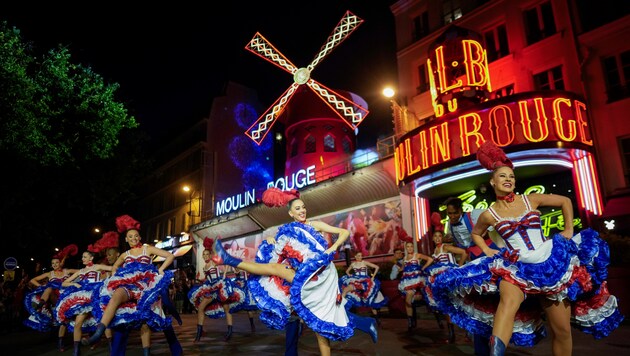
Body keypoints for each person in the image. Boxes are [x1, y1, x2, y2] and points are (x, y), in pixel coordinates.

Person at [432, 141, 624, 355]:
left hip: (550, 264)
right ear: (493, 181)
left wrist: (569, 229)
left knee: (561, 331)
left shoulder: (529, 200)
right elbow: (476, 233)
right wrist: (487, 251)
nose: (508, 179)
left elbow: (565, 202)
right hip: (516, 266)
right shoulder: (489, 214)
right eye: (503, 176)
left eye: (511, 176)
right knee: (508, 302)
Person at [212, 187, 377, 356]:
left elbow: (344, 232)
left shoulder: (314, 225)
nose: (302, 211)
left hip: (322, 273)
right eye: (298, 209)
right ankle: (228, 258)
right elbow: (279, 252)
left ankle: (228, 259)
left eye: (303, 207)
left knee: (319, 323)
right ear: (291, 213)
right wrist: (271, 240)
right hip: (304, 276)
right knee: (318, 327)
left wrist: (333, 248)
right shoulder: (289, 231)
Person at [82, 214, 178, 356]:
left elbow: (170, 255)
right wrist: (115, 275)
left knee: (145, 319)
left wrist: (161, 269)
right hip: (128, 286)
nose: (134, 239)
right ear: (126, 240)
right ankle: (98, 333)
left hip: (145, 287)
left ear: (140, 237)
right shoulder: (125, 255)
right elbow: (114, 267)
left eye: (136, 236)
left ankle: (149, 352)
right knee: (116, 296)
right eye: (130, 237)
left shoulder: (148, 249)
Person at [188, 237, 245, 342]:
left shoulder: (214, 262)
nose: (205, 256)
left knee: (226, 308)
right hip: (210, 288)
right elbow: (208, 278)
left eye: (206, 254)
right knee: (200, 308)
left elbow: (227, 262)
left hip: (219, 287)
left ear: (210, 255)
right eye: (203, 254)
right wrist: (201, 280)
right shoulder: (205, 266)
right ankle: (199, 333)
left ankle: (229, 332)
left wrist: (224, 276)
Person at [24, 244, 79, 352]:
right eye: (53, 263)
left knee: (63, 322)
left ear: (60, 263)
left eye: (57, 263)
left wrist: (73, 280)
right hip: (54, 298)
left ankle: (60, 343)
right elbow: (32, 280)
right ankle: (40, 306)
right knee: (48, 289)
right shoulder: (50, 274)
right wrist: (42, 286)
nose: (55, 265)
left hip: (66, 298)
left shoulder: (67, 271)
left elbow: (81, 272)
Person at [57, 250, 112, 356]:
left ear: (91, 258)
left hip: (96, 295)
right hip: (83, 298)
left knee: (104, 321)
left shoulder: (97, 267)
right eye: (82, 257)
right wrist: (75, 284)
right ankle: (76, 350)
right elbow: (64, 283)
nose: (83, 259)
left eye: (85, 257)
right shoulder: (80, 271)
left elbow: (113, 268)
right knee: (78, 323)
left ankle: (111, 347)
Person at [423, 224, 467, 344]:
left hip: (449, 278)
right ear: (432, 239)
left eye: (439, 236)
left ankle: (466, 332)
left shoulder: (446, 247)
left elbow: (463, 252)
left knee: (459, 303)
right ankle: (452, 333)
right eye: (435, 236)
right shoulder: (435, 251)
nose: (437, 238)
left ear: (442, 238)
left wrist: (459, 267)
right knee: (447, 304)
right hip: (440, 280)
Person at [340, 251, 387, 324]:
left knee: (370, 300)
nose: (360, 257)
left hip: (365, 281)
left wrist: (373, 276)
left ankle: (377, 318)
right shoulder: (353, 264)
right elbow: (347, 271)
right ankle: (340, 308)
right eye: (358, 256)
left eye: (361, 256)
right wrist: (349, 274)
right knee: (346, 290)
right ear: (355, 256)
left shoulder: (364, 262)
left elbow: (376, 267)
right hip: (356, 280)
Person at [397, 241, 434, 331]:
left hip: (417, 279)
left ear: (413, 248)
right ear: (406, 248)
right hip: (407, 280)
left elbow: (430, 259)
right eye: (408, 247)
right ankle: (410, 322)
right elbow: (402, 268)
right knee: (408, 300)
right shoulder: (405, 258)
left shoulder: (417, 255)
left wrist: (422, 268)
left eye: (411, 246)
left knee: (411, 297)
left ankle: (411, 322)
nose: (410, 248)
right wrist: (400, 269)